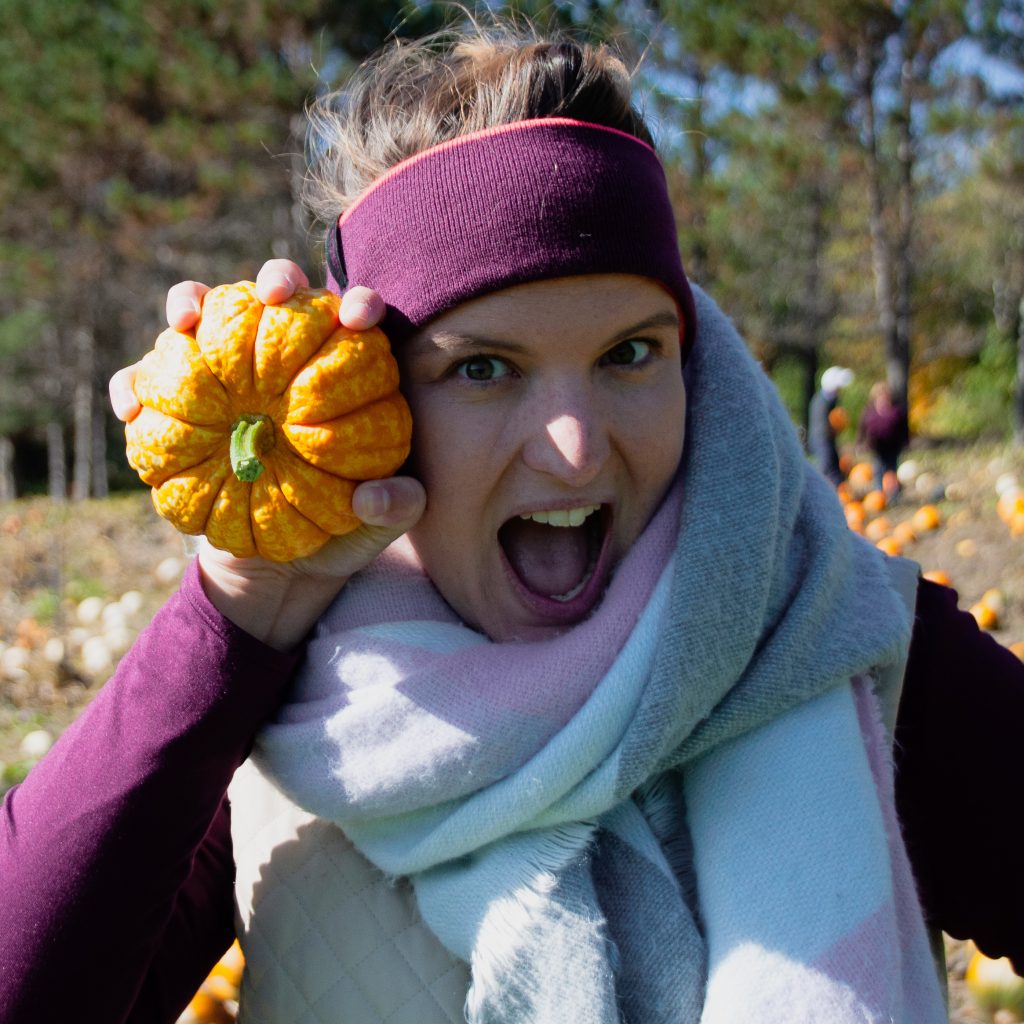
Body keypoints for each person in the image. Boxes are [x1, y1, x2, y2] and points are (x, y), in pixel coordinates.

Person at [3, 23, 1024, 1024]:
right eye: (481, 368)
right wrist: (228, 619)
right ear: (377, 406)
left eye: (630, 353)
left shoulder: (842, 630)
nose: (575, 449)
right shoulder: (285, 720)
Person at [859, 380, 910, 499]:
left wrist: (906, 442)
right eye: (880, 396)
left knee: (891, 470)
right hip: (877, 446)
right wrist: (861, 443)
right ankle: (879, 494)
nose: (883, 398)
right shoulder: (870, 411)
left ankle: (893, 495)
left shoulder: (897, 411)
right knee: (878, 469)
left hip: (893, 446)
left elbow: (904, 428)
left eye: (885, 396)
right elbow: (863, 428)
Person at [808, 364, 854, 487]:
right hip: (822, 440)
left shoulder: (830, 400)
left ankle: (838, 491)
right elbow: (822, 425)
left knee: (834, 466)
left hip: (827, 440)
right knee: (827, 466)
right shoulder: (821, 402)